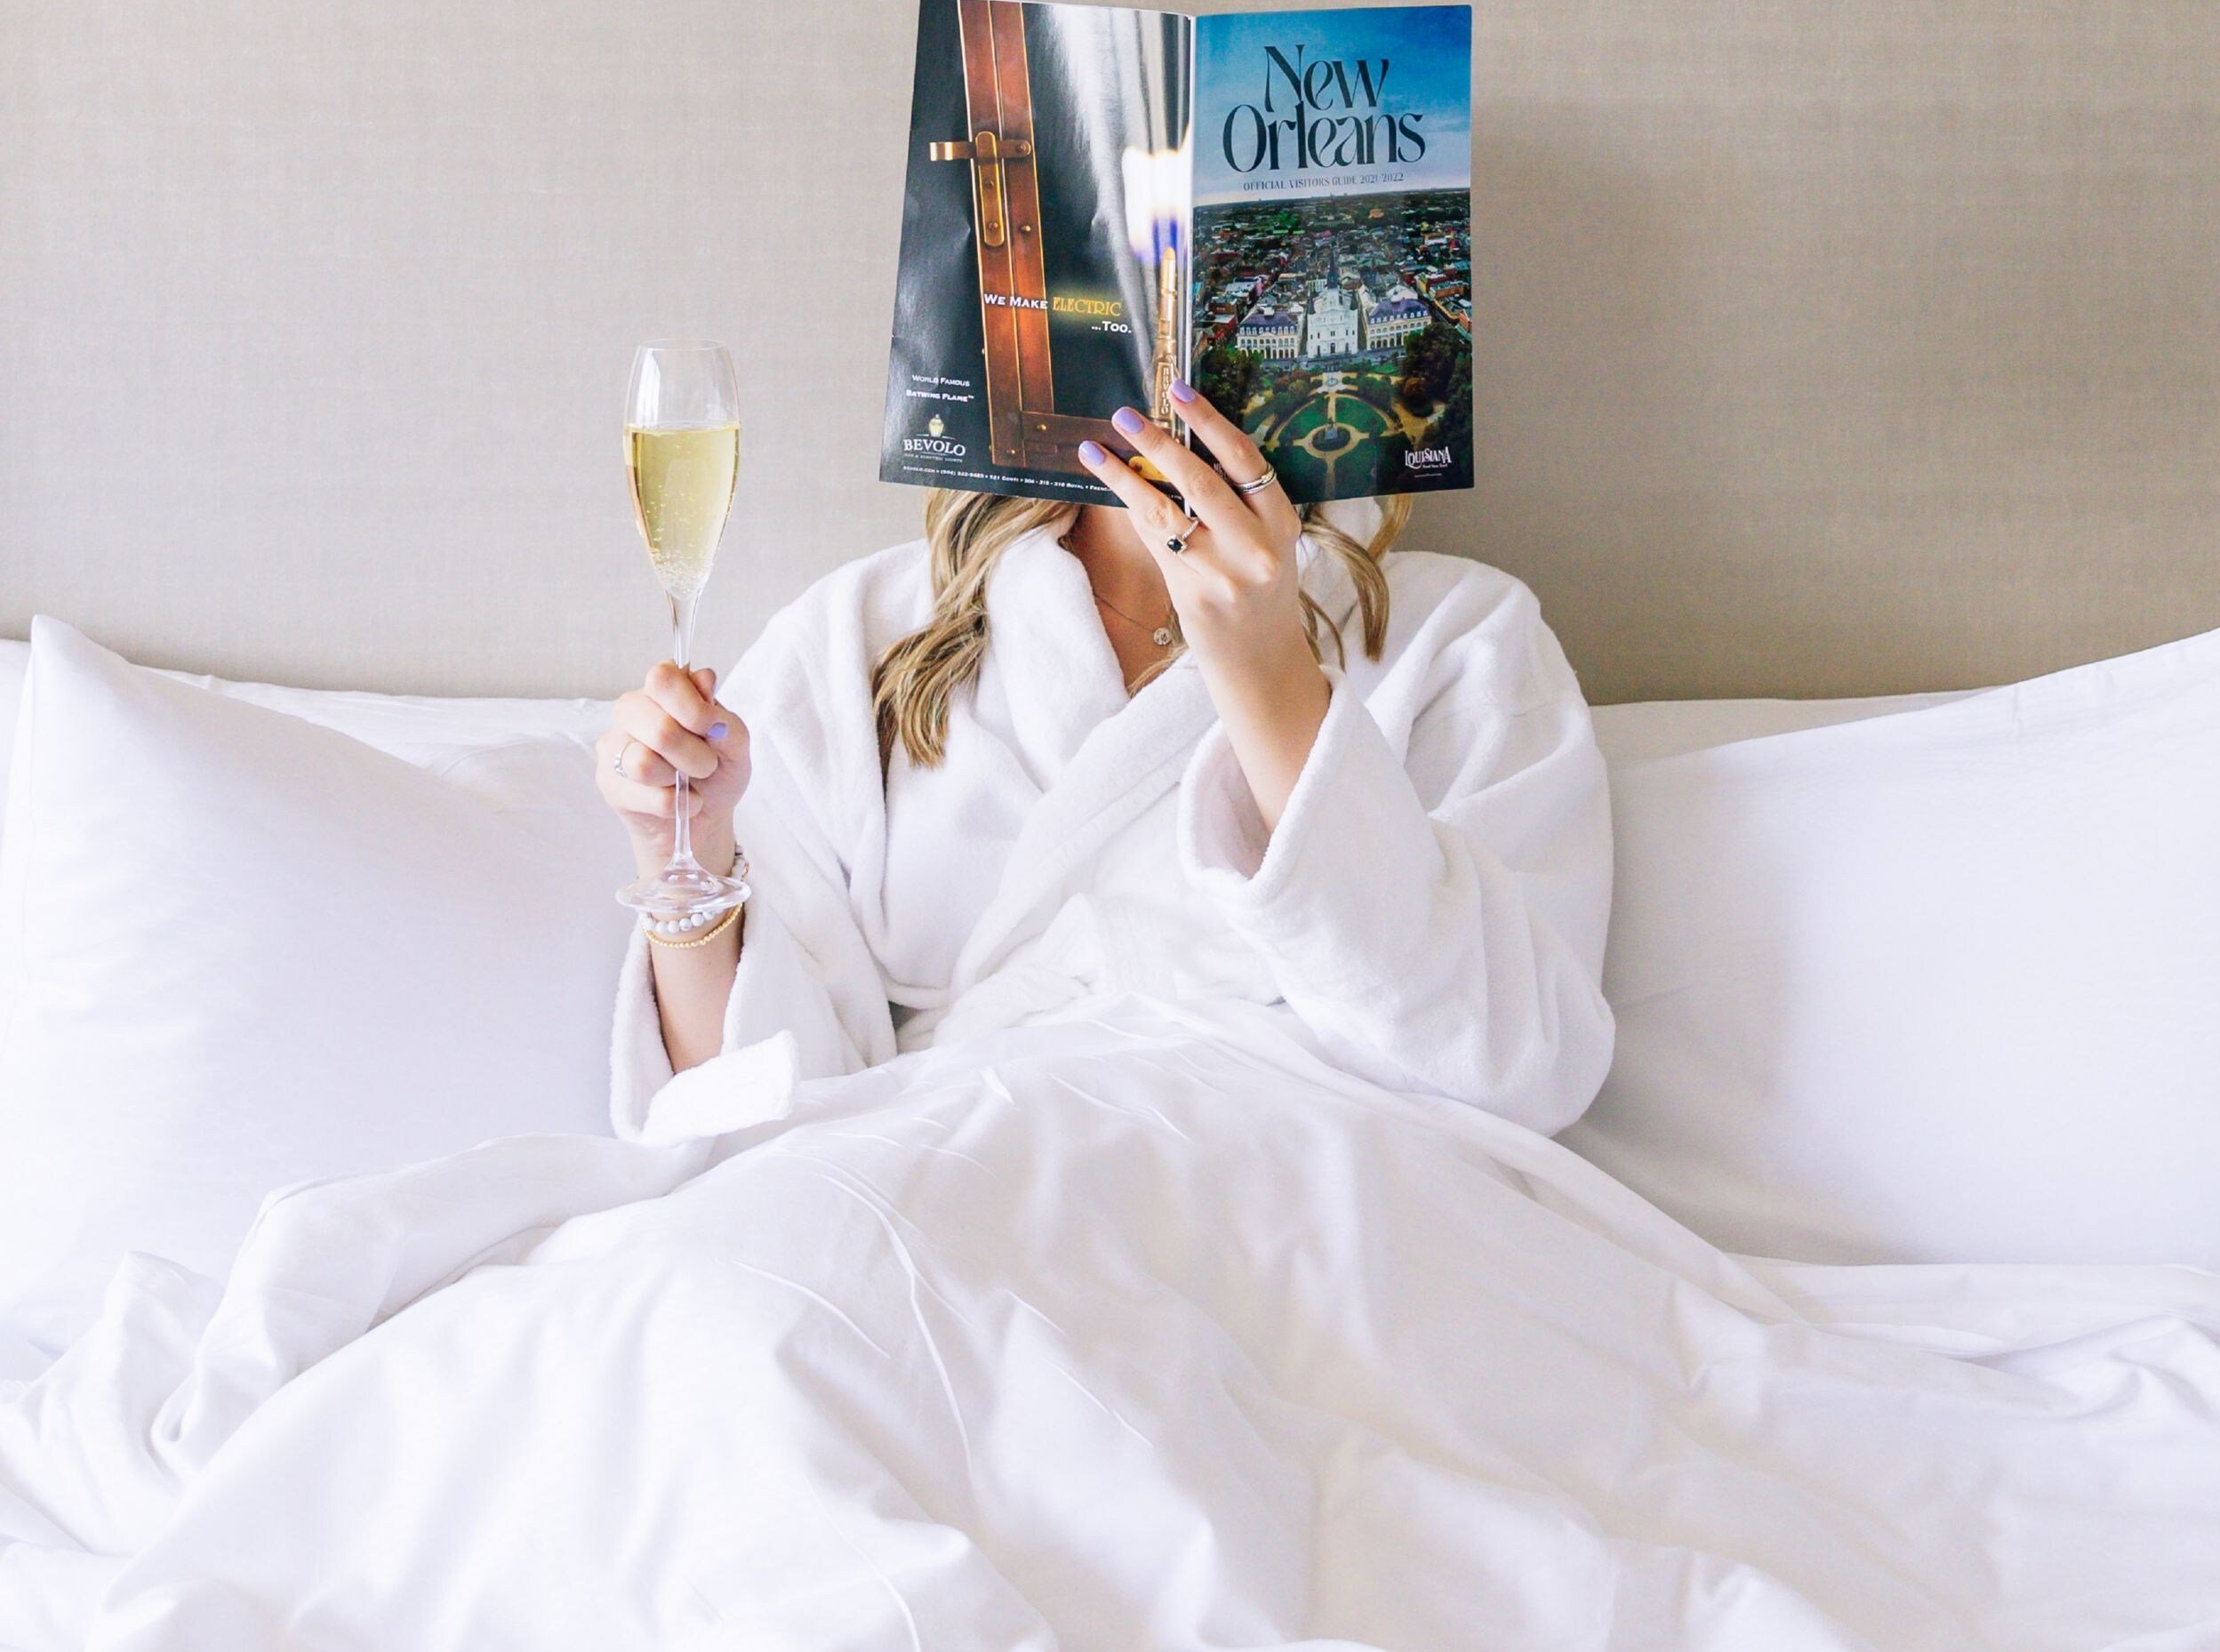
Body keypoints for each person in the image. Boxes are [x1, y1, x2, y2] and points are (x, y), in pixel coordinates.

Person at [597, 382, 1615, 1148]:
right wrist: (685, 852)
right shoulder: (856, 637)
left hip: (1288, 1198)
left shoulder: (1464, 638)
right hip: (942, 1205)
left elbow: (1516, 1066)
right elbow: (736, 1126)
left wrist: (1269, 672)